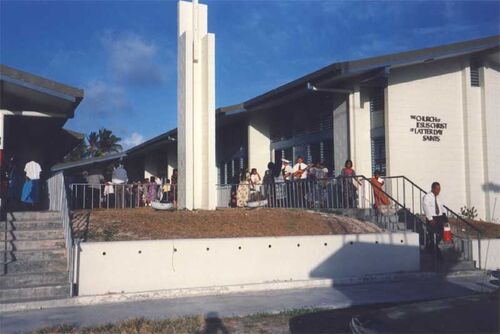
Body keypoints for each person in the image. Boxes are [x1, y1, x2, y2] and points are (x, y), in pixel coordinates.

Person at [422, 182, 448, 258]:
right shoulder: (427, 197)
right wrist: (430, 219)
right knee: (432, 234)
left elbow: (441, 206)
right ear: (433, 188)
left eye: (439, 189)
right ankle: (436, 251)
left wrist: (444, 216)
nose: (438, 191)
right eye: (437, 189)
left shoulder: (439, 197)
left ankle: (433, 246)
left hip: (439, 217)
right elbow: (425, 207)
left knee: (442, 232)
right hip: (432, 218)